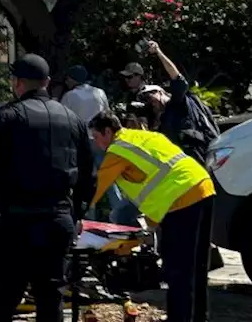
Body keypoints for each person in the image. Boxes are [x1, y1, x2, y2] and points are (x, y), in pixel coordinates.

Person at [0, 54, 96, 322]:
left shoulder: (5, 118)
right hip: (57, 219)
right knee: (50, 296)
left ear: (17, 83)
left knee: (2, 296)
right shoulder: (73, 120)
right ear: (46, 82)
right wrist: (79, 213)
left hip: (15, 221)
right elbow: (88, 174)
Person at [88, 112, 215, 322]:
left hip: (181, 201)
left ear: (108, 131)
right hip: (203, 186)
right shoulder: (144, 136)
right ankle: (200, 317)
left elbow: (94, 190)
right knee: (198, 267)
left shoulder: (117, 151)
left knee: (178, 270)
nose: (96, 142)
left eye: (96, 136)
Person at [63, 65, 135, 225]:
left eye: (68, 78)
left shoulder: (69, 96)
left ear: (74, 79)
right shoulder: (99, 93)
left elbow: (64, 118)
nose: (66, 81)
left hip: (82, 142)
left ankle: (89, 215)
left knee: (86, 180)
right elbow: (107, 113)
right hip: (102, 139)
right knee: (109, 178)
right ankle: (120, 212)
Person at [138, 42, 220, 166]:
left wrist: (159, 53)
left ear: (160, 92)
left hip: (204, 158)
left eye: (150, 96)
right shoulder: (161, 121)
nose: (150, 101)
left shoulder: (178, 102)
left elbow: (177, 77)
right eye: (146, 100)